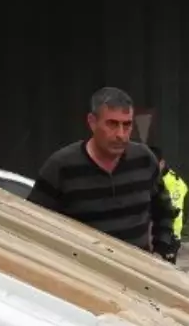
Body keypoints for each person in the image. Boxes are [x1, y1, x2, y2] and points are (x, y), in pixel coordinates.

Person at [28, 86, 175, 257]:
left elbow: (164, 211)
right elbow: (33, 223)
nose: (121, 134)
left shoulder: (144, 160)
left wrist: (160, 252)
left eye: (127, 125)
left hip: (139, 274)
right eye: (112, 124)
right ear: (92, 122)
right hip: (84, 275)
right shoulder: (61, 167)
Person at [152, 146, 189, 263]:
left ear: (162, 163)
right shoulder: (146, 177)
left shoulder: (175, 183)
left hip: (170, 238)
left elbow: (175, 212)